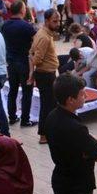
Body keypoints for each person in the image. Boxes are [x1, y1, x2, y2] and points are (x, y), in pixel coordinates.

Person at [1, 0, 36, 127]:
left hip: (11, 61)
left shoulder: (4, 25)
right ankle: (25, 119)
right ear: (22, 10)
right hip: (24, 61)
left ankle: (12, 117)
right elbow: (35, 43)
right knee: (27, 92)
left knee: (13, 90)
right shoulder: (27, 26)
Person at [30, 9, 60, 144]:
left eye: (58, 20)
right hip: (46, 75)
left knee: (50, 105)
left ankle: (49, 133)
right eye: (55, 21)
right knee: (47, 106)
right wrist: (32, 71)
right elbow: (35, 58)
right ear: (47, 21)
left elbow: (31, 52)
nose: (57, 23)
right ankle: (43, 135)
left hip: (48, 73)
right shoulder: (44, 37)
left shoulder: (44, 33)